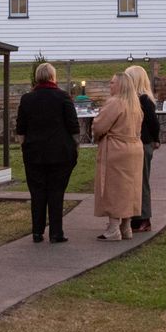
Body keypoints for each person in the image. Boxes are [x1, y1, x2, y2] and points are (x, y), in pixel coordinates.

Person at [15, 62, 78, 243]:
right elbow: (73, 126)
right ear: (53, 77)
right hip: (60, 153)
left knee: (37, 192)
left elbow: (21, 129)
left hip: (34, 153)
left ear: (37, 77)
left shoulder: (27, 99)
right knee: (56, 192)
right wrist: (75, 147)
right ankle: (56, 232)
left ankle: (37, 232)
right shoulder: (63, 97)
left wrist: (25, 146)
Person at [92, 71, 144, 240]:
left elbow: (100, 126)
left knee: (114, 187)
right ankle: (126, 226)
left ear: (120, 85)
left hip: (116, 149)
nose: (110, 85)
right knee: (130, 187)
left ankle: (114, 227)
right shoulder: (135, 104)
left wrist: (97, 135)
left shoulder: (115, 102)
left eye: (112, 82)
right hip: (134, 148)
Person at [124, 64, 160, 233]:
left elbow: (153, 123)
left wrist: (155, 139)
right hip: (134, 143)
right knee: (133, 182)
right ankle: (134, 216)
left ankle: (144, 218)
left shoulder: (143, 100)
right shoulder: (133, 100)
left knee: (141, 181)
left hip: (143, 143)